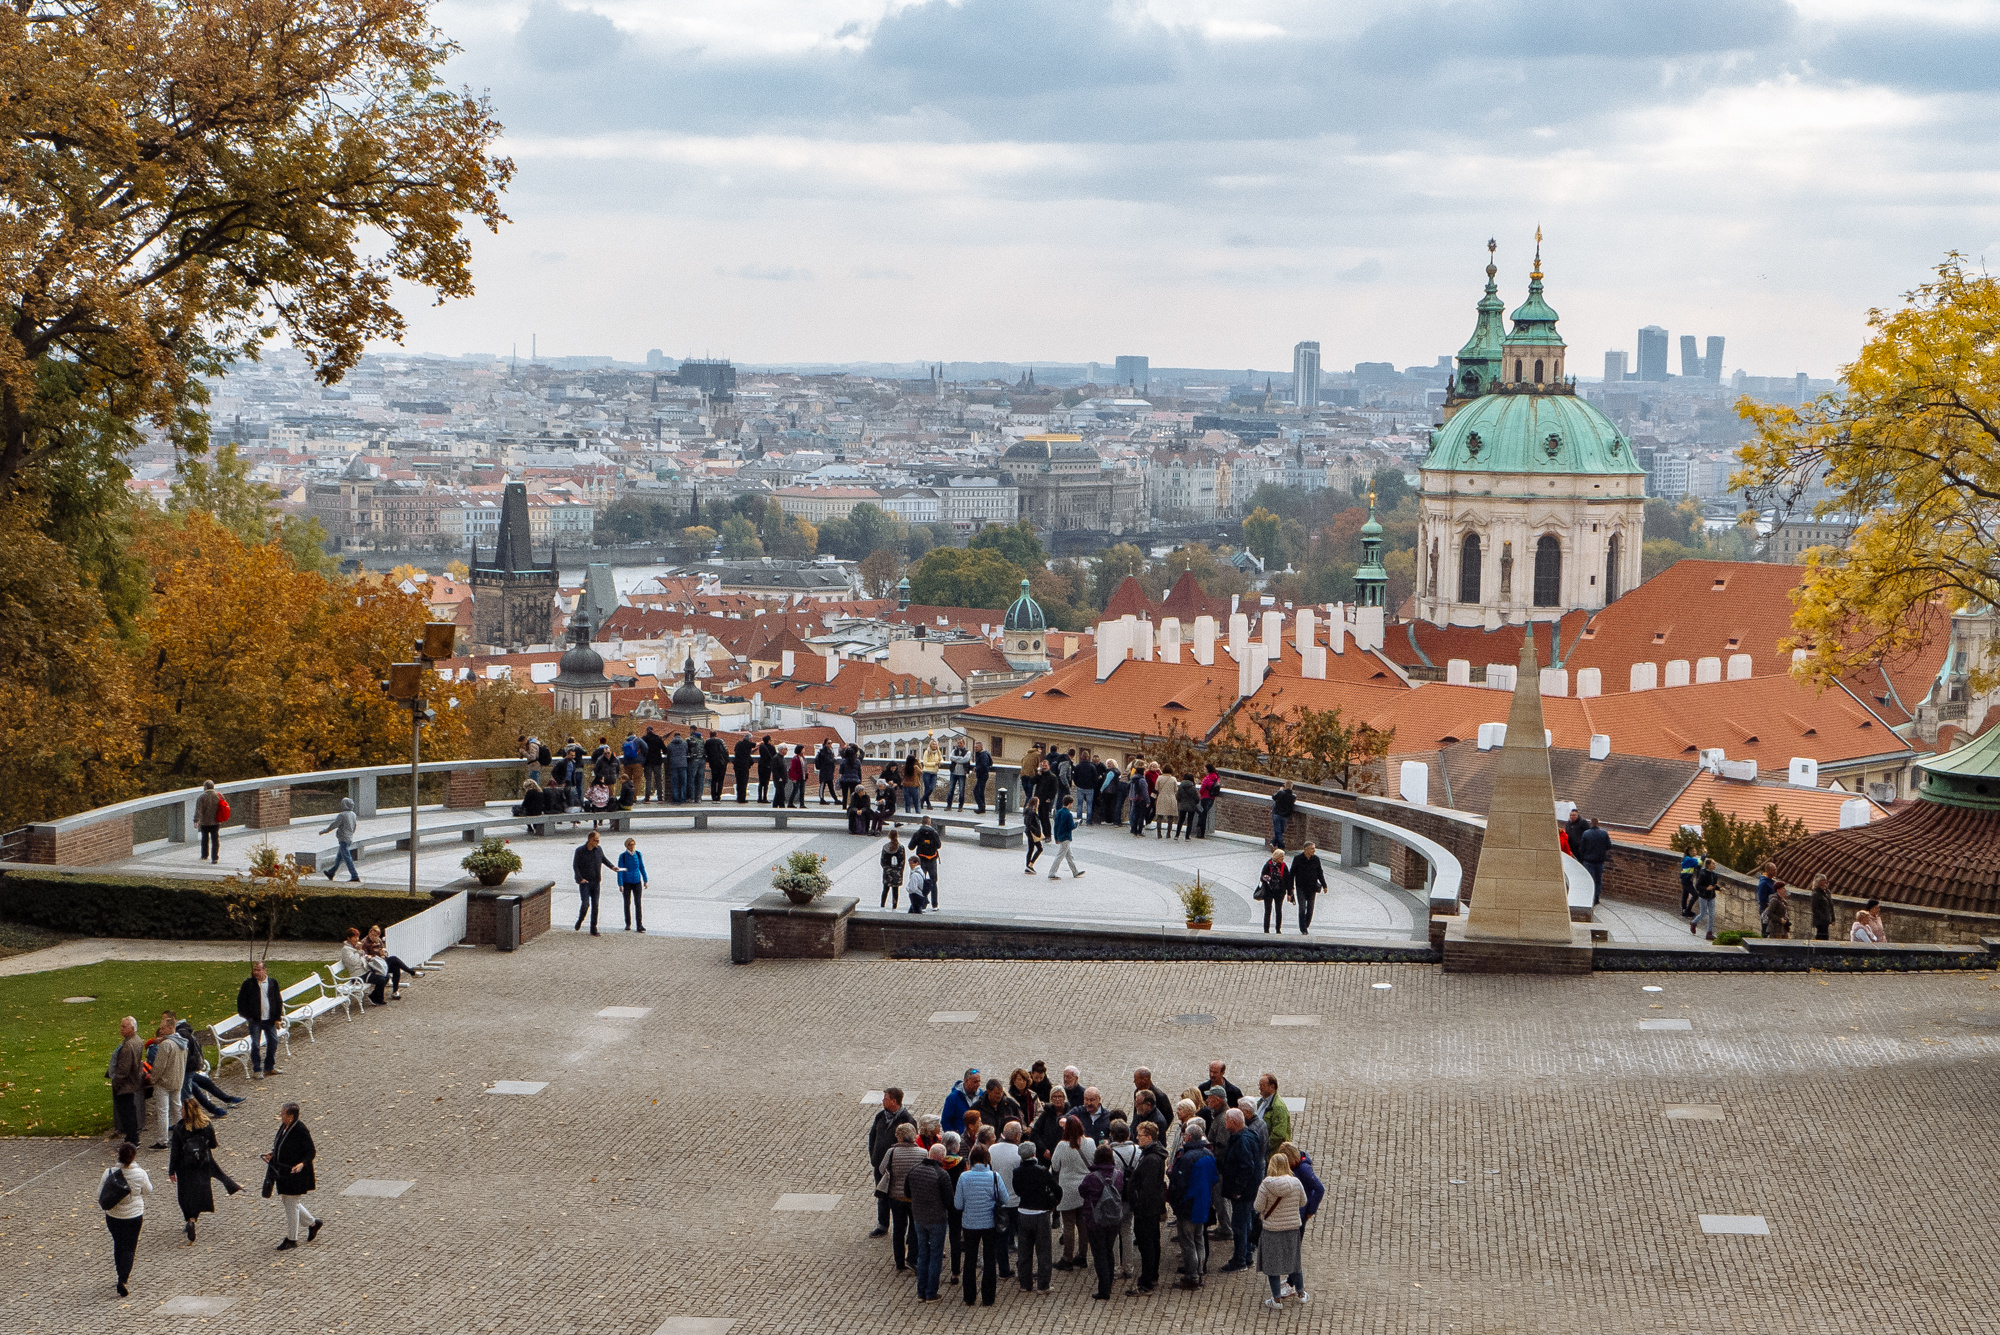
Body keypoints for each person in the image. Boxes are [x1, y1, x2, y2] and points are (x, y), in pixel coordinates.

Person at [168, 1100, 240, 1243]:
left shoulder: (180, 1128)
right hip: (203, 1165)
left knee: (185, 1194)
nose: (180, 1111)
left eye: (182, 1109)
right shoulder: (206, 1125)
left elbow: (175, 1152)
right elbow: (213, 1144)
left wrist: (171, 1170)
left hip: (185, 1167)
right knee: (200, 1192)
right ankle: (194, 1218)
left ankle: (190, 1218)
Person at [953, 1145, 1011, 1305]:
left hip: (970, 1224)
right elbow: (1005, 1199)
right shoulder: (994, 1176)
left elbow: (958, 1204)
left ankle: (969, 1297)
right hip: (989, 1224)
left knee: (969, 1259)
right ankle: (988, 1297)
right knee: (990, 1259)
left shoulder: (964, 1177)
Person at [1253, 1150, 1309, 1309]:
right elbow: (1303, 1202)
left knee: (1272, 1265)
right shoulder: (1296, 1183)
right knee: (1294, 1262)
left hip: (1272, 1229)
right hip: (1292, 1228)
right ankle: (1301, 1293)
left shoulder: (1266, 1184)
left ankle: (1276, 1299)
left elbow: (1257, 1206)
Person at [262, 1102, 321, 1251]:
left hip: (296, 1173)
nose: (281, 1116)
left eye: (283, 1114)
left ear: (291, 1116)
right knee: (290, 1201)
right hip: (284, 1172)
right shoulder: (285, 1126)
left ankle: (292, 1238)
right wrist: (273, 1154)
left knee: (291, 1203)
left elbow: (310, 1151)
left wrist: (302, 1163)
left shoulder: (300, 1129)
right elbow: (281, 1144)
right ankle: (313, 1223)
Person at [1168, 1118, 1217, 1288]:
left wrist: (1177, 1201)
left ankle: (1191, 1276)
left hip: (1188, 1205)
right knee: (1199, 1240)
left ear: (1188, 1138)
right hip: (1203, 1204)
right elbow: (1214, 1179)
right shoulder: (1209, 1155)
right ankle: (1200, 1271)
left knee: (1188, 1242)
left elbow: (1179, 1184)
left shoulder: (1187, 1158)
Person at [99, 1141, 152, 1296]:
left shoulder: (109, 1172)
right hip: (134, 1215)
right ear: (134, 1157)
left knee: (118, 1243)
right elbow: (148, 1190)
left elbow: (100, 1194)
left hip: (114, 1216)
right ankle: (123, 1278)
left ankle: (119, 1272)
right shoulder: (140, 1174)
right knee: (130, 1247)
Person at [1076, 1145, 1125, 1300]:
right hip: (1114, 1220)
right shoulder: (1118, 1174)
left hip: (1095, 1220)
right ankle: (1109, 1282)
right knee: (1109, 1251)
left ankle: (1104, 1289)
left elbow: (1082, 1191)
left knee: (1099, 1254)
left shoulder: (1091, 1177)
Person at [874, 1117, 924, 1269]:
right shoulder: (923, 1153)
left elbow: (882, 1169)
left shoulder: (892, 1152)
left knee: (898, 1229)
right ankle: (913, 1258)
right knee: (915, 1229)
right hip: (914, 1197)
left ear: (899, 1137)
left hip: (895, 1197)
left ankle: (899, 1261)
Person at [1218, 1108, 1263, 1270]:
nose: (1225, 1123)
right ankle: (1247, 1256)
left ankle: (1240, 1260)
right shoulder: (1246, 1136)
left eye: (1227, 1121)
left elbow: (1246, 1167)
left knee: (1240, 1226)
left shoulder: (1242, 1140)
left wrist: (1237, 1189)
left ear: (1234, 1122)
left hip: (1243, 1193)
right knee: (1246, 1223)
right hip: (1249, 1191)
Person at [907, 1144, 954, 1302]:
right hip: (937, 1220)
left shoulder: (914, 1170)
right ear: (941, 1157)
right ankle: (931, 1293)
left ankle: (921, 1292)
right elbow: (949, 1201)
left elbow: (907, 1192)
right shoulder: (941, 1175)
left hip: (919, 1219)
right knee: (935, 1256)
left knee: (922, 1254)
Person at [1050, 1115, 1096, 1271]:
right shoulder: (1090, 1142)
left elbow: (1055, 1166)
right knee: (1083, 1223)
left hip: (1068, 1189)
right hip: (1085, 1188)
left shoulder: (1062, 1146)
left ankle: (1067, 1258)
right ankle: (1082, 1256)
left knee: (1068, 1224)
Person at [1011, 1143, 1059, 1292]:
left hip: (1024, 1212)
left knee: (1024, 1251)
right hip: (1041, 1213)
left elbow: (1017, 1191)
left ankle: (1025, 1284)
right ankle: (1043, 1285)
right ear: (1034, 1154)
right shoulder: (1042, 1171)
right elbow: (1057, 1190)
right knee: (1043, 1251)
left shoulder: (1017, 1172)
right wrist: (1052, 1204)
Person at [235, 962, 283, 1079]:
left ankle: (269, 1067)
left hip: (269, 1019)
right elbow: (241, 1001)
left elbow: (278, 1001)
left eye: (258, 970)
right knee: (255, 1045)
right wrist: (248, 1016)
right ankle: (257, 1069)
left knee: (273, 1042)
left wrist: (277, 1018)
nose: (256, 972)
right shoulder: (248, 984)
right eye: (255, 970)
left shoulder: (272, 983)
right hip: (255, 1020)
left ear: (265, 970)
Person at [146, 1012, 187, 1148]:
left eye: (163, 1028)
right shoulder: (182, 1043)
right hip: (177, 1080)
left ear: (170, 1028)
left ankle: (163, 1140)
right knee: (177, 1109)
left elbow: (159, 1066)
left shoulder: (166, 1045)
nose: (161, 1031)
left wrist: (153, 1079)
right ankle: (184, 1135)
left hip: (164, 1082)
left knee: (163, 1111)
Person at [110, 1016, 147, 1146]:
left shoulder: (127, 1046)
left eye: (124, 1026)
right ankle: (133, 1136)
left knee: (127, 1112)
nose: (121, 1029)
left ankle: (132, 1138)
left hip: (126, 1085)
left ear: (131, 1028)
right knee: (130, 1110)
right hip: (134, 1081)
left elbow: (123, 1070)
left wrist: (116, 1083)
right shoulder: (137, 1040)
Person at [573, 831, 614, 935]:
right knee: (585, 904)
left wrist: (612, 867)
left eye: (598, 840)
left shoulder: (598, 849)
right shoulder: (580, 850)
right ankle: (580, 920)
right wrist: (580, 878)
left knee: (595, 906)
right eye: (596, 840)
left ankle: (593, 928)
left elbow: (603, 859)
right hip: (585, 882)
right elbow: (575, 865)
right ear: (590, 840)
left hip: (596, 882)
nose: (598, 842)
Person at [318, 797, 361, 882]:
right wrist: (350, 834)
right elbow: (354, 826)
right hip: (349, 839)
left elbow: (334, 825)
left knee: (348, 858)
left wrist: (324, 831)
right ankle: (331, 872)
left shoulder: (342, 815)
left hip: (343, 840)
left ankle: (355, 876)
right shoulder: (353, 814)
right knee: (339, 858)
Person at [341, 928, 387, 1006]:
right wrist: (358, 951)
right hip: (357, 975)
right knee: (381, 979)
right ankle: (376, 998)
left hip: (365, 970)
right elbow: (353, 962)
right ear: (348, 938)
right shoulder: (346, 950)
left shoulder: (354, 947)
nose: (357, 939)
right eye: (354, 937)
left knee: (386, 976)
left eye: (357, 937)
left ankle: (375, 996)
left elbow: (363, 957)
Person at [1290, 841, 1327, 934]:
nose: (1314, 850)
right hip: (1301, 887)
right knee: (1302, 908)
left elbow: (1320, 873)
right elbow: (1292, 874)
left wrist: (1324, 885)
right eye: (1312, 848)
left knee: (1310, 909)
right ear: (1306, 850)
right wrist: (1290, 888)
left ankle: (1305, 924)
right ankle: (1303, 929)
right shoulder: (1298, 859)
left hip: (1312, 888)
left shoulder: (1316, 859)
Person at [1047, 795, 1084, 879]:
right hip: (1066, 837)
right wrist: (1077, 823)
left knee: (1069, 856)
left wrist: (1056, 837)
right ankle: (1052, 873)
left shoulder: (1059, 812)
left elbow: (1056, 826)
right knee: (1060, 856)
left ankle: (1075, 872)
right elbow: (1071, 826)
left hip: (1060, 836)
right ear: (1069, 803)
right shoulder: (1068, 814)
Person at [1575, 817, 1611, 904]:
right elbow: (1609, 846)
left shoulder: (1586, 834)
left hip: (1588, 860)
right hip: (1599, 861)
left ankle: (1588, 897)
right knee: (1598, 880)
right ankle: (1596, 897)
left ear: (1591, 823)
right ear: (1598, 824)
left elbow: (1581, 848)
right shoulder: (1604, 833)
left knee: (1589, 880)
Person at [616, 838, 648, 932]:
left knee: (638, 903)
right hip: (627, 882)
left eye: (633, 844)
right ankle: (628, 923)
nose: (632, 846)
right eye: (630, 844)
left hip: (637, 881)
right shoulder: (623, 856)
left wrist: (645, 879)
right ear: (627, 845)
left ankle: (639, 924)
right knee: (627, 903)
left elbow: (641, 867)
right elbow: (620, 870)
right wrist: (620, 883)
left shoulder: (638, 854)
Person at [910, 818, 941, 907]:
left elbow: (911, 847)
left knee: (921, 881)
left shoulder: (917, 833)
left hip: (921, 860)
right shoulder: (934, 833)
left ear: (922, 823)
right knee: (933, 882)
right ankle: (935, 905)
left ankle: (923, 904)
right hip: (932, 860)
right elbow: (939, 845)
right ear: (929, 823)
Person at [941, 1069, 982, 1136]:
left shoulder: (981, 1095)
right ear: (966, 1081)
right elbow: (945, 1121)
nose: (978, 1085)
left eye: (979, 1081)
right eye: (975, 1082)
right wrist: (954, 1137)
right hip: (960, 1138)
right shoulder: (953, 1098)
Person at [1256, 1073, 1292, 1147]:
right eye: (1259, 1085)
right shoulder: (1261, 1101)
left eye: (1263, 1085)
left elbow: (1279, 1135)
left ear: (1272, 1087)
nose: (1260, 1088)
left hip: (1271, 1151)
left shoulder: (1278, 1107)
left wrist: (1264, 1146)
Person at [1258, 847, 1289, 934]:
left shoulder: (1284, 866)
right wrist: (1266, 878)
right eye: (1281, 857)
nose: (1283, 859)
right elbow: (1262, 876)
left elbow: (1288, 879)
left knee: (1278, 910)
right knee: (1268, 910)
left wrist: (1290, 892)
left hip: (1280, 891)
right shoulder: (1268, 865)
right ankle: (1266, 930)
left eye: (1283, 857)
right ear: (1276, 857)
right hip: (1269, 891)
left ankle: (1278, 929)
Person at [194, 779, 223, 863]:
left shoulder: (202, 797)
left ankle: (204, 855)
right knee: (215, 839)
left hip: (204, 822)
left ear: (205, 787)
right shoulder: (219, 795)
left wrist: (196, 820)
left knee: (204, 839)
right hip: (216, 821)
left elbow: (198, 810)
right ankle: (215, 858)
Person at [1691, 856, 1719, 941]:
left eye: (1714, 863)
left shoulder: (1714, 874)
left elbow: (1714, 885)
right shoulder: (1703, 874)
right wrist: (1706, 889)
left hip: (1711, 897)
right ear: (1708, 865)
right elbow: (1697, 886)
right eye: (1712, 863)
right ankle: (1694, 922)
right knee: (1703, 913)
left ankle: (1709, 933)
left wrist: (1719, 888)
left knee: (1712, 914)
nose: (1714, 865)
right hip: (1703, 896)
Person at [643, 726, 667, 803]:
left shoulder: (644, 739)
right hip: (657, 762)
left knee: (648, 780)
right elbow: (665, 750)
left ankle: (647, 798)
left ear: (646, 731)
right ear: (653, 731)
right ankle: (660, 798)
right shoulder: (658, 738)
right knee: (658, 780)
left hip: (647, 762)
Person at [1152, 769, 1178, 839]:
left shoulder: (1159, 778)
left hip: (1161, 798)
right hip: (1171, 798)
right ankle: (1168, 834)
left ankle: (1159, 834)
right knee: (1170, 817)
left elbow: (1156, 788)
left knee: (1159, 817)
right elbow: (1176, 789)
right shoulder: (1173, 779)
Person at [1196, 763, 1220, 838]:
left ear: (1208, 770)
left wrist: (1200, 793)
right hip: (1211, 799)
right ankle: (1203, 832)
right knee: (1205, 814)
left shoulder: (1206, 778)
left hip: (1205, 798)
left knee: (1202, 815)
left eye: (1204, 769)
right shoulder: (1216, 777)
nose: (1203, 770)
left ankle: (1200, 833)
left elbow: (1202, 789)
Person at [1271, 779, 1296, 849]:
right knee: (1280, 831)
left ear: (1285, 786)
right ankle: (1279, 846)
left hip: (1277, 814)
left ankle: (1277, 845)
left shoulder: (1280, 793)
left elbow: (1273, 797)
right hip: (1285, 816)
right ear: (1291, 787)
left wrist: (1279, 790)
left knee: (1278, 831)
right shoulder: (1293, 797)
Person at [1810, 872, 1835, 941]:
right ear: (1818, 882)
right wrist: (1824, 918)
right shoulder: (1816, 894)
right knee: (1821, 936)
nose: (1825, 882)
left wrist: (1833, 918)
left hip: (1826, 920)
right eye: (1823, 880)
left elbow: (1830, 906)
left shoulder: (1827, 892)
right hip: (1820, 921)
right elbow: (1814, 909)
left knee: (1825, 937)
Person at [1022, 796, 1044, 874]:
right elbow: (1028, 823)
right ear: (1035, 803)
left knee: (1031, 849)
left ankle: (1028, 866)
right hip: (1032, 833)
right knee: (1040, 848)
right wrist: (1035, 830)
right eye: (1038, 802)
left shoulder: (1029, 811)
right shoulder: (1031, 812)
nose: (1039, 803)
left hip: (1030, 832)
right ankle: (1030, 865)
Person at [704, 731, 729, 801]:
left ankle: (713, 795)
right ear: (716, 735)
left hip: (713, 763)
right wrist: (726, 760)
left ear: (710, 735)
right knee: (721, 780)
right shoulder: (720, 741)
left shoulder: (707, 742)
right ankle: (719, 795)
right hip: (722, 763)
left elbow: (705, 752)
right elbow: (726, 751)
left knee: (714, 779)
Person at [1126, 767, 1151, 837]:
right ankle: (1139, 831)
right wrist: (1148, 801)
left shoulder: (1133, 779)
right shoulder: (1142, 780)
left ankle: (1134, 829)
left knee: (1136, 815)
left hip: (1134, 799)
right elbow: (1145, 792)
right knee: (1141, 816)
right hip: (1141, 799)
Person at [920, 735, 943, 809]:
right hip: (927, 772)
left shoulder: (938, 752)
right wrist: (935, 763)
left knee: (931, 788)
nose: (935, 745)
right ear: (930, 745)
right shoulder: (927, 752)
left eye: (936, 744)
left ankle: (922, 800)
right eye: (933, 744)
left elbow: (941, 759)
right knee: (927, 788)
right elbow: (925, 763)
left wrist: (941, 762)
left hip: (934, 773)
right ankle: (928, 804)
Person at [946, 740, 970, 809]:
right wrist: (960, 759)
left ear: (964, 744)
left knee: (961, 790)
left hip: (962, 773)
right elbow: (951, 758)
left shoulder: (967, 752)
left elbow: (965, 760)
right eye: (958, 743)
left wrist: (956, 759)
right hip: (953, 772)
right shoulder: (954, 751)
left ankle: (960, 806)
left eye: (961, 743)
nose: (959, 744)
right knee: (951, 790)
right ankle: (949, 805)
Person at [972, 739, 993, 813]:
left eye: (976, 748)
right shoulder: (984, 754)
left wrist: (977, 768)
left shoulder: (983, 755)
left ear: (981, 747)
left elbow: (984, 766)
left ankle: (981, 807)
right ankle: (982, 807)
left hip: (982, 775)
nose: (975, 749)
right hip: (982, 775)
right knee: (980, 791)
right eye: (975, 748)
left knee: (976, 791)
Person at [1679, 849, 1700, 917]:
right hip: (1686, 880)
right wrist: (1704, 854)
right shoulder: (1688, 859)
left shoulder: (1686, 858)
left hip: (1686, 879)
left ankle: (1684, 911)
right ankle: (1687, 911)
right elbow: (1699, 862)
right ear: (1689, 852)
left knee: (1685, 895)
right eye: (1694, 851)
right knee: (1695, 895)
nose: (1695, 852)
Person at [815, 740, 838, 805]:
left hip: (829, 772)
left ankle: (835, 799)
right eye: (828, 743)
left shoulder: (830, 751)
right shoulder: (823, 752)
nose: (830, 745)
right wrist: (833, 760)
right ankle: (821, 799)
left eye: (831, 743)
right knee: (822, 786)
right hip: (824, 772)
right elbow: (827, 760)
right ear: (825, 744)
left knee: (831, 787)